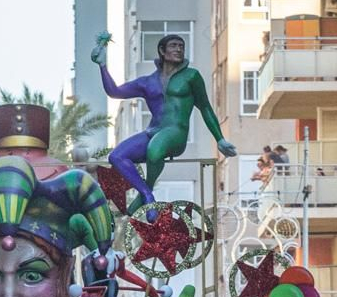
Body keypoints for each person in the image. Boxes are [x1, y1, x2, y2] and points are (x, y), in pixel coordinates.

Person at [91, 33, 235, 210]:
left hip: (176, 133)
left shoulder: (191, 76)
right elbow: (114, 92)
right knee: (116, 156)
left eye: (181, 46)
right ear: (162, 51)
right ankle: (146, 193)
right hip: (153, 131)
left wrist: (219, 138)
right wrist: (103, 66)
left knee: (155, 148)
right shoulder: (147, 82)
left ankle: (148, 188)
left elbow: (205, 107)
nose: (179, 49)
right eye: (174, 45)